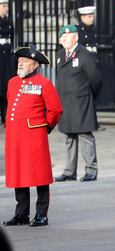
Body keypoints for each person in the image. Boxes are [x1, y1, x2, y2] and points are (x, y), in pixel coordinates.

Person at [2, 46, 63, 227]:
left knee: (39, 174)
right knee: (19, 173)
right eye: (19, 61)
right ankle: (21, 214)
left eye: (24, 62)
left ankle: (41, 214)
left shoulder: (44, 83)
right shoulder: (12, 82)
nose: (20, 64)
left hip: (35, 135)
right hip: (15, 137)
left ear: (35, 65)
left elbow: (55, 109)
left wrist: (47, 127)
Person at [54, 25, 102, 182]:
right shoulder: (60, 55)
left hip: (82, 102)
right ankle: (69, 171)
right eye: (62, 38)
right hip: (66, 102)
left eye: (67, 37)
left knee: (85, 135)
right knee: (69, 136)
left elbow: (96, 79)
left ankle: (91, 170)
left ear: (76, 38)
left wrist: (89, 96)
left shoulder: (84, 54)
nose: (64, 40)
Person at [0, 0, 14, 124]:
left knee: (6, 85)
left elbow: (12, 37)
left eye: (7, 6)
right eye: (4, 6)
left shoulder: (9, 21)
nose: (6, 8)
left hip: (7, 56)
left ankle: (5, 115)